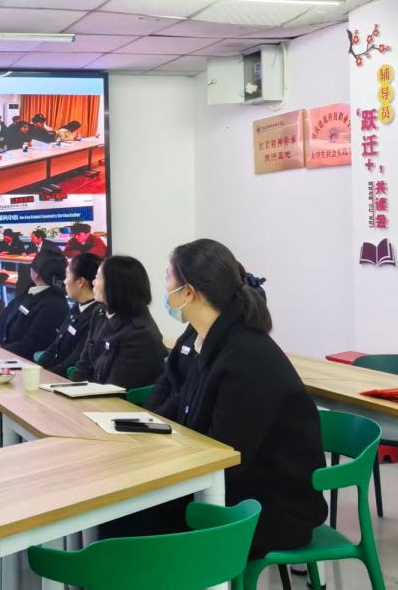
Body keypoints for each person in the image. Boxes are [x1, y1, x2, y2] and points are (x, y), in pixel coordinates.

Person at [144, 239, 327, 558]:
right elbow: (180, 402)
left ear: (189, 292)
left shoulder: (245, 356)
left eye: (168, 278)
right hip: (231, 487)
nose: (165, 288)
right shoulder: (203, 339)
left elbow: (228, 457)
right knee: (128, 512)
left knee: (131, 519)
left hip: (271, 509)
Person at [72, 255, 166, 388]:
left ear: (114, 286)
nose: (93, 282)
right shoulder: (100, 312)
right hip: (94, 393)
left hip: (115, 398)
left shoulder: (140, 334)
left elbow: (115, 388)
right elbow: (83, 365)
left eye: (98, 278)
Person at [0, 246, 72, 360]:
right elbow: (6, 314)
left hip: (21, 360)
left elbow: (30, 345)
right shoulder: (32, 291)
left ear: (36, 273)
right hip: (9, 352)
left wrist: (0, 350)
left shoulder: (53, 306)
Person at [37, 253, 103, 376]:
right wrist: (36, 368)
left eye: (67, 275)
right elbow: (55, 346)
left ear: (80, 282)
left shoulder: (96, 317)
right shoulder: (77, 307)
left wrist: (44, 376)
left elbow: (73, 361)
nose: (64, 281)